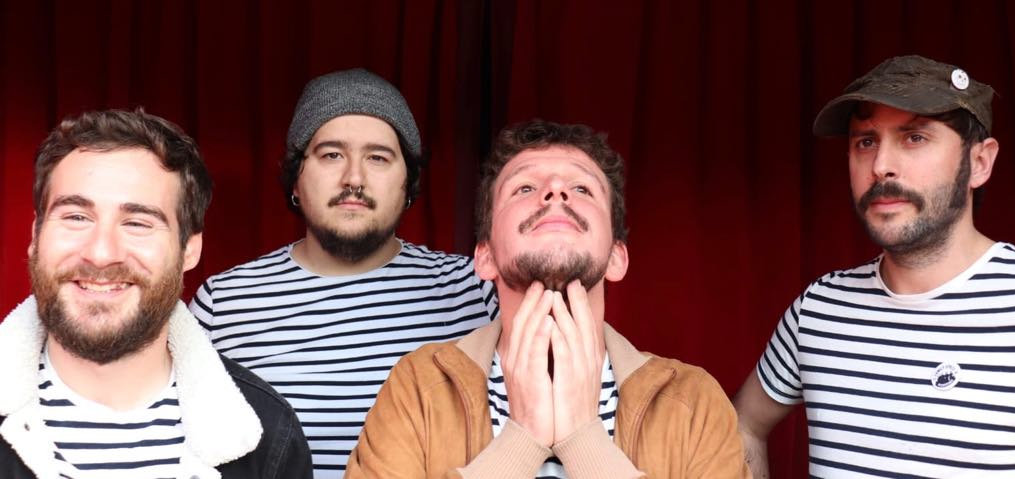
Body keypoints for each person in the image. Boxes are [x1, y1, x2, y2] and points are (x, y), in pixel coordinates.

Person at [346, 119, 749, 478]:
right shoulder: (416, 389)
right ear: (484, 257)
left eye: (581, 188)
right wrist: (522, 439)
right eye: (525, 187)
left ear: (617, 257)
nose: (555, 191)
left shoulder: (695, 403)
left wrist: (583, 440)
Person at [188, 69, 496, 476]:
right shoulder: (224, 303)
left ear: (408, 183)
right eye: (331, 154)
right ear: (296, 179)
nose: (354, 178)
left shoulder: (474, 289)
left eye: (378, 157)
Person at [733, 55, 1015, 478]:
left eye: (915, 137)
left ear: (979, 162)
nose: (880, 165)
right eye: (865, 141)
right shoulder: (819, 308)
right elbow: (744, 426)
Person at [0, 109, 312, 478]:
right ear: (36, 236)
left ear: (189, 250)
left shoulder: (268, 436)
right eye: (76, 217)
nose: (101, 253)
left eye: (137, 223)